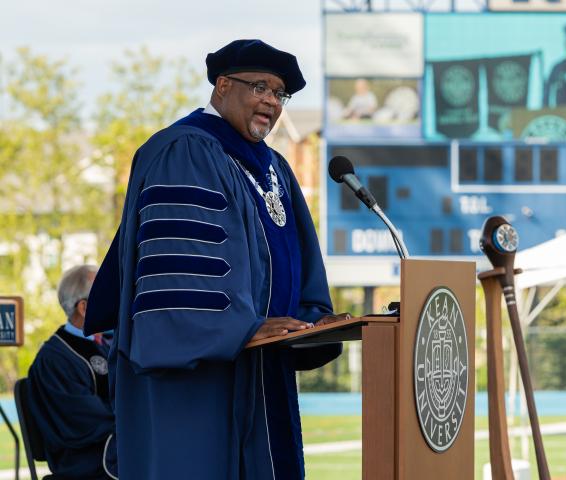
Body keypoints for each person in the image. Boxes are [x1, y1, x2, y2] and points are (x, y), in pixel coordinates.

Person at [84, 39, 347, 480]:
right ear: (223, 86)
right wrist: (240, 327)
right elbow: (179, 273)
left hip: (263, 369)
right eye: (260, 86)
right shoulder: (184, 151)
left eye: (279, 93)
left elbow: (299, 261)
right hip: (195, 383)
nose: (271, 101)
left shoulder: (275, 169)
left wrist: (312, 319)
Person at [27, 265, 116, 480]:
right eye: (107, 295)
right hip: (85, 461)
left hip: (113, 444)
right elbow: (87, 422)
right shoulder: (54, 360)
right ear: (84, 308)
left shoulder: (108, 344)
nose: (115, 302)